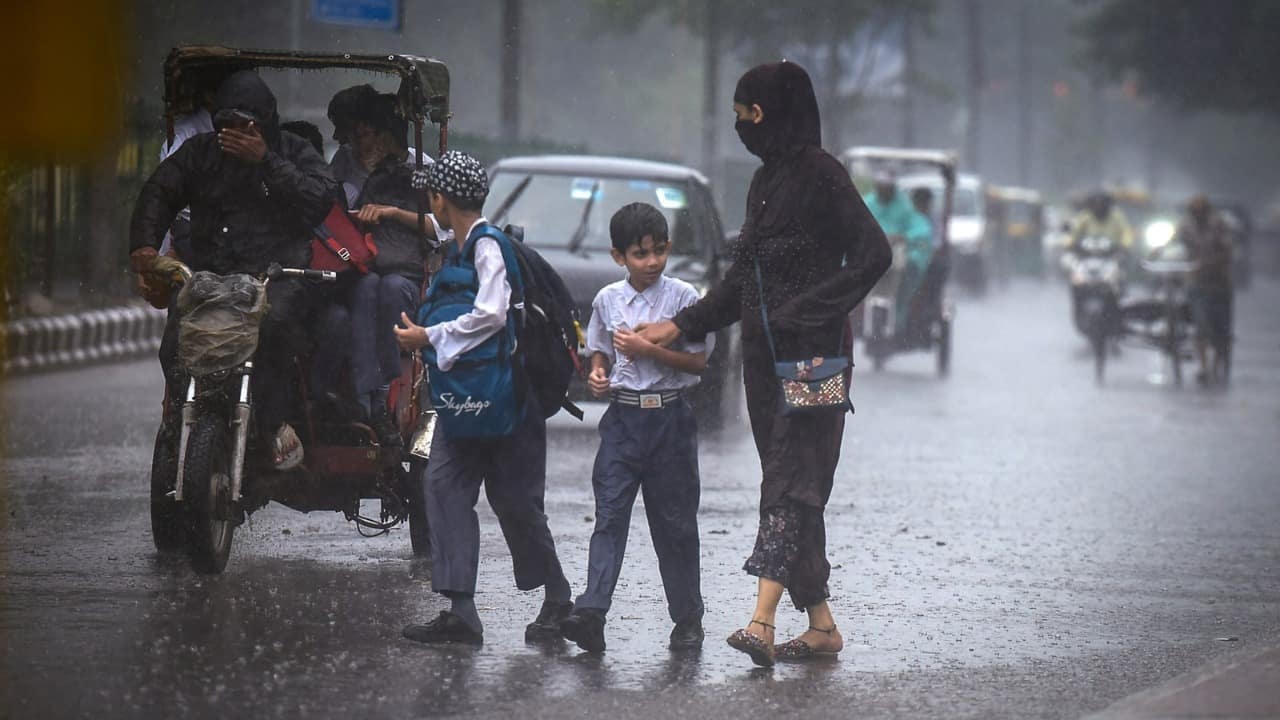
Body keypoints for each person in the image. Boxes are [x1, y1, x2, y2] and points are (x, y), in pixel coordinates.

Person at [637, 61, 890, 667]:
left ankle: (762, 621)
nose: (741, 126)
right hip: (759, 365)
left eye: (749, 113)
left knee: (791, 482)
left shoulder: (826, 177)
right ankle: (822, 624)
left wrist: (809, 309)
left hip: (816, 361)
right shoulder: (763, 182)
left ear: (778, 111)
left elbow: (874, 254)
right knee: (791, 484)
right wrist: (681, 323)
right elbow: (738, 286)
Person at [393, 150, 573, 646]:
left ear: (440, 198)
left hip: (508, 400)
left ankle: (558, 596)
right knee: (445, 487)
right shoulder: (459, 243)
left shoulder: (488, 247)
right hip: (464, 401)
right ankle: (463, 612)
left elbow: (492, 315)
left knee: (515, 503)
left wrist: (428, 336)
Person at [130, 70, 339, 470]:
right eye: (226, 124)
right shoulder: (200, 153)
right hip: (211, 274)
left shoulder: (292, 152)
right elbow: (160, 190)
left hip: (277, 274)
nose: (234, 134)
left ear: (263, 123)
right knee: (174, 340)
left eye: (244, 126)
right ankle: (181, 420)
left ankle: (274, 422)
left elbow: (319, 198)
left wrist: (265, 162)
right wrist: (143, 244)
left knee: (276, 328)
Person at [557, 202, 711, 654]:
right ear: (618, 256)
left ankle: (687, 619)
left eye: (659, 251)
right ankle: (592, 613)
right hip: (622, 420)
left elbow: (699, 362)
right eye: (640, 254)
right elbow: (598, 350)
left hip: (670, 420)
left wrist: (651, 350)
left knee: (675, 524)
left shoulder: (684, 298)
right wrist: (598, 373)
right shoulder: (608, 300)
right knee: (609, 517)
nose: (652, 263)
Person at [863, 174, 933, 335]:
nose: (885, 192)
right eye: (882, 188)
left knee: (910, 273)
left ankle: (900, 316)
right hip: (869, 257)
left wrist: (904, 237)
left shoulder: (905, 208)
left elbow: (921, 229)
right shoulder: (866, 203)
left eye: (888, 189)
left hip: (899, 258)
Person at [1178, 194, 1233, 385]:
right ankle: (1203, 365)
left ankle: (1217, 364)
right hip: (1196, 282)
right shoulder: (1186, 226)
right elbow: (1174, 243)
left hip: (1219, 283)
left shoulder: (1219, 225)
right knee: (1200, 325)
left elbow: (1227, 250)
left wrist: (1210, 264)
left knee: (1221, 328)